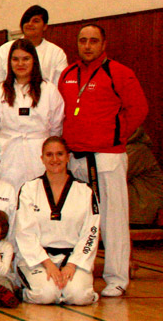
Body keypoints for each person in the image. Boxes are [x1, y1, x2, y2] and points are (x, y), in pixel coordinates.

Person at [57, 23, 147, 298]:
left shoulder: (119, 72)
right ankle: (80, 272)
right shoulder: (68, 74)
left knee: (113, 220)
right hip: (76, 157)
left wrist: (114, 136)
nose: (87, 45)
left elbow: (139, 109)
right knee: (79, 219)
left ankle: (117, 278)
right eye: (83, 40)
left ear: (104, 44)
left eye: (93, 41)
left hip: (107, 157)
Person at [15, 137, 100, 305]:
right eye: (49, 155)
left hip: (73, 258)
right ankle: (23, 292)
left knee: (79, 296)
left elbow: (91, 232)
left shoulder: (85, 191)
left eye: (60, 154)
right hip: (39, 259)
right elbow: (24, 232)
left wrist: (72, 265)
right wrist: (48, 264)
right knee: (45, 295)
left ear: (68, 157)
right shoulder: (29, 189)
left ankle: (72, 291)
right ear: (42, 158)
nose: (55, 159)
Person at [0, 38, 64, 193]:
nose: (20, 64)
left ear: (34, 60)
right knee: (9, 195)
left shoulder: (49, 90)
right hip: (8, 153)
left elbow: (56, 127)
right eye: (15, 59)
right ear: (9, 62)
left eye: (25, 59)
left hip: (39, 153)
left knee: (40, 195)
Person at [0, 5, 69, 89]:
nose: (30, 24)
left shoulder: (56, 53)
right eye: (27, 20)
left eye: (35, 21)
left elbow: (60, 85)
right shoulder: (5, 49)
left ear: (45, 26)